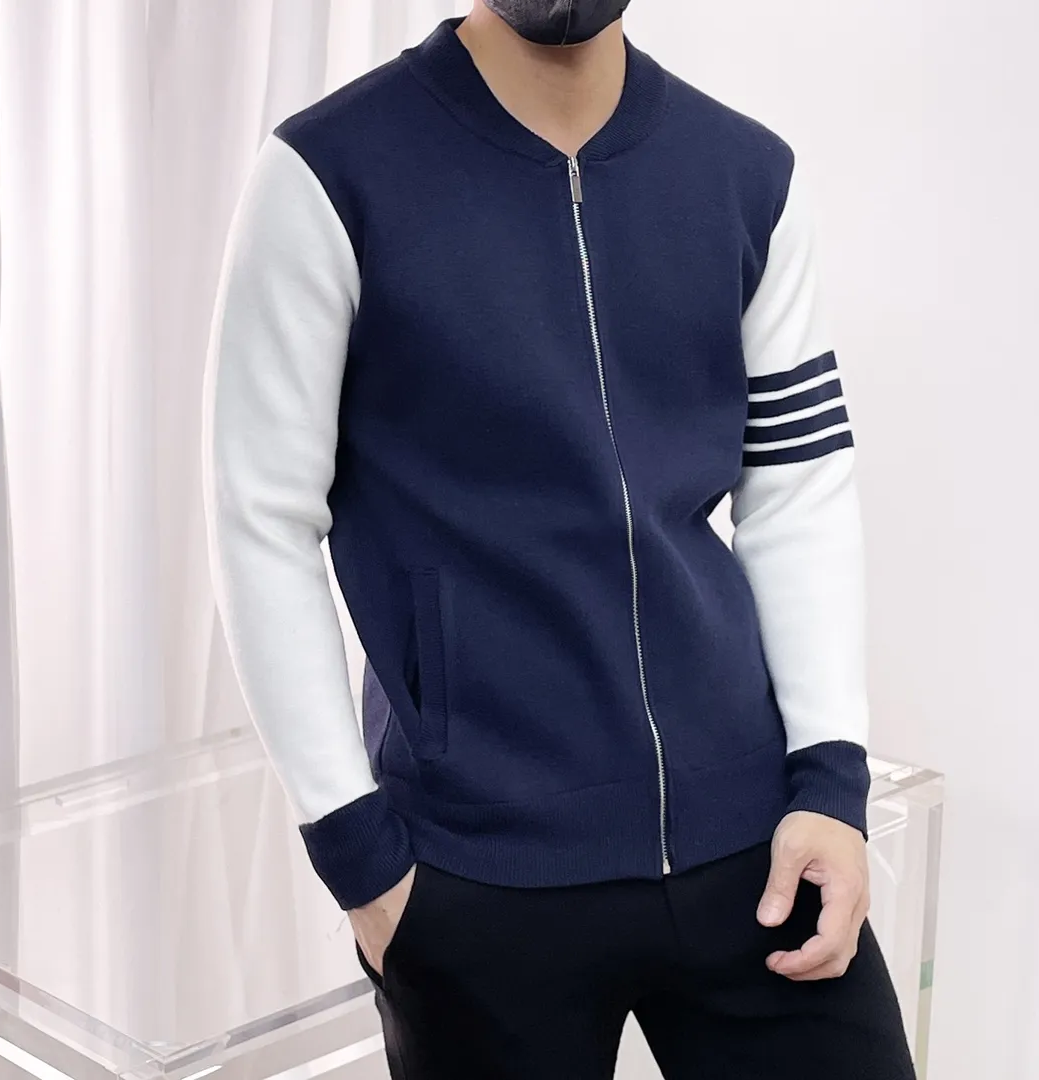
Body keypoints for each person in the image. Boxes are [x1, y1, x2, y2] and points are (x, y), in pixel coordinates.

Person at [201, 2, 917, 1077]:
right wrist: (360, 861)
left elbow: (796, 489)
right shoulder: (328, 175)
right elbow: (260, 519)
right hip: (477, 873)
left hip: (755, 845)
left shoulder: (745, 174)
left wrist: (828, 785)